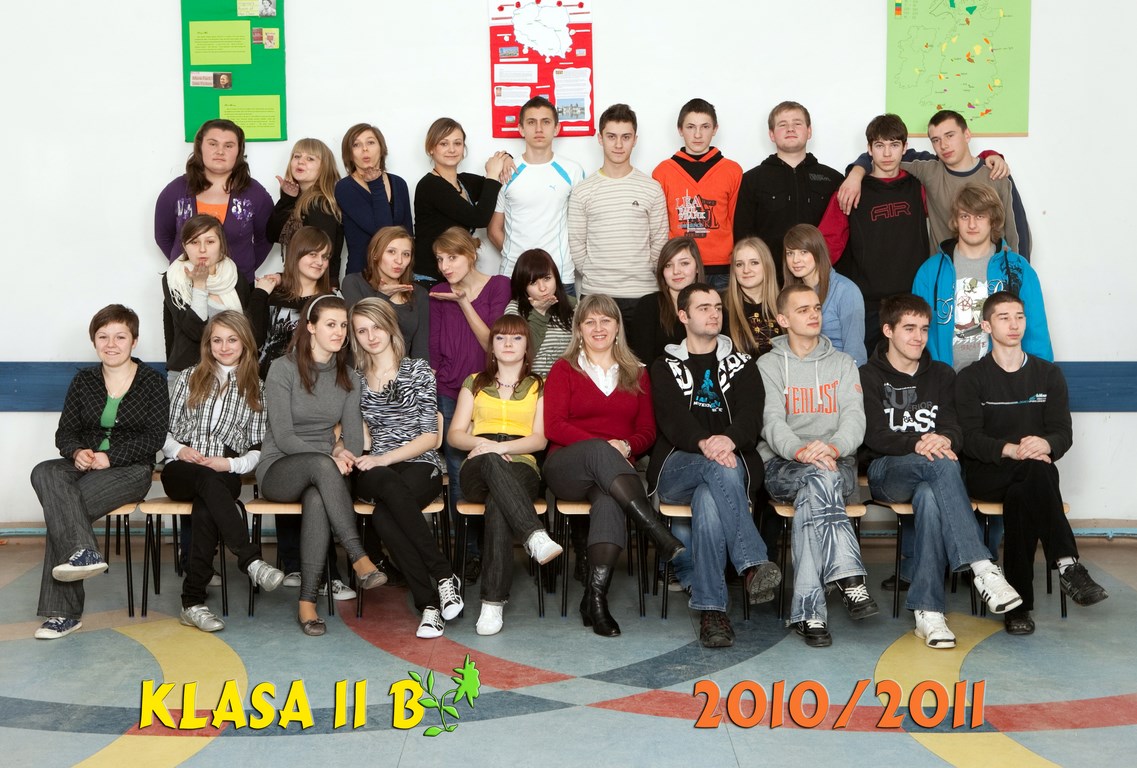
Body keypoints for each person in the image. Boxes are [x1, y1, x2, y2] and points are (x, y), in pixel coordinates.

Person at [859, 294, 1022, 648]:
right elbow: (875, 435)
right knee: (941, 462)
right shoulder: (868, 376)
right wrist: (921, 443)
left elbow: (955, 430)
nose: (918, 337)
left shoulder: (943, 375)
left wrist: (943, 439)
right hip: (887, 471)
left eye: (924, 329)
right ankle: (982, 566)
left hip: (934, 472)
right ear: (887, 331)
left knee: (931, 496)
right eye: (909, 328)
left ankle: (929, 612)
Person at [957, 291, 1107, 636]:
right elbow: (969, 438)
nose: (1014, 324)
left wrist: (1046, 443)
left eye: (1019, 317)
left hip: (1031, 474)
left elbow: (1062, 433)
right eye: (1004, 317)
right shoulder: (971, 378)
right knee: (1035, 474)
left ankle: (1018, 608)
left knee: (1024, 492)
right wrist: (1012, 449)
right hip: (987, 473)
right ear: (986, 326)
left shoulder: (1048, 374)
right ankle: (1068, 565)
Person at [543, 294, 685, 638]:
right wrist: (605, 446)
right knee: (597, 450)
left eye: (605, 320)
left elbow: (648, 430)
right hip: (567, 466)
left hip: (612, 477)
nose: (598, 327)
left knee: (608, 503)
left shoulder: (637, 372)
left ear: (618, 326)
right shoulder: (564, 368)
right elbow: (554, 426)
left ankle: (595, 599)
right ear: (579, 329)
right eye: (589, 321)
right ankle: (654, 529)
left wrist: (627, 445)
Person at [648, 283, 781, 648]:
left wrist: (729, 440)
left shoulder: (743, 364)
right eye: (703, 307)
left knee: (709, 499)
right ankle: (752, 562)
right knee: (720, 468)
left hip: (729, 465)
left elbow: (752, 416)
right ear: (683, 316)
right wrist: (706, 442)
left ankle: (712, 613)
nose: (713, 313)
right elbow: (672, 419)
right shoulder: (664, 366)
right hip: (678, 467)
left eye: (718, 307)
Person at [31, 305, 167, 639]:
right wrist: (77, 452)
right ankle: (85, 552)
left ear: (134, 341)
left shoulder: (152, 382)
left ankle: (63, 614)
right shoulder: (83, 381)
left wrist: (111, 457)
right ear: (94, 342)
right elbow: (65, 433)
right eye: (103, 337)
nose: (111, 344)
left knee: (61, 508)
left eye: (120, 336)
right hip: (85, 464)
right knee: (45, 472)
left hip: (130, 469)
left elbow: (154, 438)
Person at [257, 295, 386, 636]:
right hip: (280, 468)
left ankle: (307, 603)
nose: (339, 332)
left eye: (343, 325)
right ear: (311, 327)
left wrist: (342, 451)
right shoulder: (282, 369)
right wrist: (330, 456)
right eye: (331, 324)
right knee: (321, 467)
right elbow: (284, 436)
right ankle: (358, 556)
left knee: (317, 497)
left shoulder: (349, 376)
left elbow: (354, 440)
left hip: (324, 474)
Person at [758, 284, 876, 647]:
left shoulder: (843, 364)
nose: (814, 315)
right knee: (819, 480)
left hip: (835, 463)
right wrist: (800, 451)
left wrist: (833, 447)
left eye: (817, 308)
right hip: (784, 465)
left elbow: (854, 419)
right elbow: (771, 421)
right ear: (782, 320)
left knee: (816, 492)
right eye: (803, 309)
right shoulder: (768, 365)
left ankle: (810, 613)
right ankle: (849, 577)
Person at [162, 311, 285, 633]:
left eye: (232, 340)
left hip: (224, 471)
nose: (224, 346)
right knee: (205, 481)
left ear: (245, 343)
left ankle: (192, 603)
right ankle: (250, 559)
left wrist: (229, 464)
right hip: (182, 469)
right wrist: (180, 450)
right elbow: (163, 432)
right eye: (217, 340)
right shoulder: (189, 377)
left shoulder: (257, 388)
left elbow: (258, 449)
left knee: (207, 508)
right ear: (208, 344)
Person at [349, 298, 462, 638]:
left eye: (376, 327)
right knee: (382, 481)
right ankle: (443, 574)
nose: (371, 336)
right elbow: (349, 433)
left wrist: (384, 458)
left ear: (390, 327)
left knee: (384, 518)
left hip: (418, 464)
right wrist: (351, 449)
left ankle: (429, 606)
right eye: (362, 331)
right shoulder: (355, 380)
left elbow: (429, 437)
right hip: (374, 468)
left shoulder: (417, 370)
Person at [447, 315, 563, 636]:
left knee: (499, 504)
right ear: (492, 346)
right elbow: (455, 434)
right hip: (478, 464)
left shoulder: (540, 385)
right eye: (500, 338)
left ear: (527, 347)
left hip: (522, 462)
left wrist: (502, 448)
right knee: (491, 462)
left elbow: (539, 439)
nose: (508, 343)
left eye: (516, 338)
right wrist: (486, 446)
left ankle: (492, 604)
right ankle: (533, 535)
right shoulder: (474, 382)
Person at [430, 227, 512, 578]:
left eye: (452, 257)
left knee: (492, 464)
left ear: (471, 254)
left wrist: (463, 301)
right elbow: (435, 349)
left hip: (490, 392)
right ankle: (468, 552)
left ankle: (495, 549)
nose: (445, 266)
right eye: (440, 259)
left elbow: (494, 343)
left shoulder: (499, 286)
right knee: (457, 467)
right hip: (450, 390)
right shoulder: (438, 293)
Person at [838, 109, 1029, 256]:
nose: (943, 145)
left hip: (992, 274)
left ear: (967, 135)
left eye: (950, 135)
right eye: (936, 140)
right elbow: (886, 154)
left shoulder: (996, 173)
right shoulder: (928, 169)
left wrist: (1019, 277)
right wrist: (857, 172)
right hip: (943, 274)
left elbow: (1017, 232)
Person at [818, 114, 930, 352]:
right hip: (867, 303)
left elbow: (955, 167)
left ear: (905, 148)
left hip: (912, 299)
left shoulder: (919, 185)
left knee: (911, 365)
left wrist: (988, 156)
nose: (887, 153)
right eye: (879, 145)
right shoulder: (851, 190)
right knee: (866, 367)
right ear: (869, 149)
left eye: (894, 145)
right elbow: (828, 243)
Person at [911, 184, 1051, 370]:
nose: (972, 224)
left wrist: (1040, 379)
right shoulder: (930, 271)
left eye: (980, 216)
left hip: (1002, 380)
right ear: (955, 220)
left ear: (993, 220)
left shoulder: (1018, 269)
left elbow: (1036, 332)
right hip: (945, 380)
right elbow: (916, 334)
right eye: (964, 216)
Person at [568, 103, 668, 315]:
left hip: (644, 294)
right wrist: (597, 275)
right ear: (600, 138)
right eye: (611, 136)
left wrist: (641, 273)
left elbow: (659, 241)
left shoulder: (651, 188)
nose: (619, 144)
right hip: (596, 294)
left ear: (635, 140)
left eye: (626, 137)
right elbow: (576, 243)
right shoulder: (582, 191)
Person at [162, 214, 267, 399]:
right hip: (188, 374)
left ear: (221, 244)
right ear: (184, 246)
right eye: (194, 242)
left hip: (233, 375)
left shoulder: (234, 276)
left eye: (210, 241)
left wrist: (262, 292)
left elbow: (248, 331)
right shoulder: (174, 279)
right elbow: (195, 330)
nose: (202, 249)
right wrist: (199, 286)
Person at [155, 119, 274, 281]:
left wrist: (243, 269)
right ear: (200, 147)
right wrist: (184, 264)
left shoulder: (255, 193)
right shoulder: (176, 190)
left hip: (237, 287)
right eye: (213, 144)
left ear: (239, 151)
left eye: (228, 146)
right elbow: (163, 236)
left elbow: (266, 238)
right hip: (184, 284)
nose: (220, 151)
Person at [733, 102, 843, 276]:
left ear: (809, 131)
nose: (790, 129)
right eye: (782, 124)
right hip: (770, 280)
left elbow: (841, 234)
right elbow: (743, 237)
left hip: (820, 278)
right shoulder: (752, 180)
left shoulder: (833, 180)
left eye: (797, 123)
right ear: (771, 134)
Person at [489, 96, 585, 286]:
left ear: (556, 128)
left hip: (559, 275)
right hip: (514, 274)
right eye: (532, 122)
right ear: (521, 128)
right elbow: (493, 230)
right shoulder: (506, 171)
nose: (539, 129)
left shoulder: (572, 171)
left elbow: (581, 227)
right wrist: (519, 260)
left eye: (546, 122)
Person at [652, 98, 743, 289]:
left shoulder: (732, 170)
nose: (698, 134)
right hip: (679, 267)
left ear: (715, 129)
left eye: (705, 127)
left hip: (721, 268)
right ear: (680, 129)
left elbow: (736, 221)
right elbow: (659, 226)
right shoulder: (663, 172)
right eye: (690, 127)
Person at [413, 117, 511, 282]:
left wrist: (506, 158)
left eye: (457, 143)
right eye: (444, 144)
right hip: (431, 278)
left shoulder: (464, 182)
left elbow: (493, 187)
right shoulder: (429, 186)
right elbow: (479, 218)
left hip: (457, 275)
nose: (452, 149)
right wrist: (493, 173)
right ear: (431, 148)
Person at [782, 223, 867, 367]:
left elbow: (855, 352)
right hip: (800, 371)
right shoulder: (789, 293)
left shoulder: (846, 291)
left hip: (838, 372)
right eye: (790, 253)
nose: (795, 260)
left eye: (803, 252)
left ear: (818, 252)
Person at [335, 123, 413, 277]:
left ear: (381, 148)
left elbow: (408, 234)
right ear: (349, 154)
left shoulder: (399, 184)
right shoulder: (345, 187)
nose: (365, 149)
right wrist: (376, 184)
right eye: (356, 145)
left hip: (399, 275)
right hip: (362, 277)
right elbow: (383, 233)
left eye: (370, 142)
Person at [342, 226, 430, 360]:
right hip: (362, 366)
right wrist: (383, 296)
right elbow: (364, 333)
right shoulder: (353, 282)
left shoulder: (419, 293)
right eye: (391, 252)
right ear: (375, 254)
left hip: (403, 369)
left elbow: (421, 348)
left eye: (406, 254)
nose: (399, 261)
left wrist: (420, 372)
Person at [266, 138, 344, 286]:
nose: (300, 162)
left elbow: (319, 258)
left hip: (316, 286)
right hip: (300, 283)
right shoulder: (296, 198)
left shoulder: (321, 204)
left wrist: (283, 278)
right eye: (297, 156)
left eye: (310, 158)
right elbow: (272, 235)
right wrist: (287, 199)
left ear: (324, 167)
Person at [630, 236, 705, 365]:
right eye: (668, 265)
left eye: (684, 263)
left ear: (697, 267)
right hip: (658, 377)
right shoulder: (648, 306)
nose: (676, 271)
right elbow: (642, 361)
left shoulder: (713, 305)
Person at [504, 248, 576, 375]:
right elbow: (518, 354)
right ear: (523, 286)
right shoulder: (515, 309)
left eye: (547, 278)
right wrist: (539, 312)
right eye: (533, 283)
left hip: (566, 381)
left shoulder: (572, 305)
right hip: (530, 382)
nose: (543, 288)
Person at [722, 236, 784, 357]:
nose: (746, 270)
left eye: (754, 263)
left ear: (767, 265)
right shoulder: (721, 305)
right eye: (739, 264)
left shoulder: (785, 303)